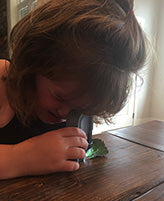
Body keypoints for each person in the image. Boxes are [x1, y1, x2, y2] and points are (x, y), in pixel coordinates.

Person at [0, 0, 148, 179]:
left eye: (82, 109)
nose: (65, 114)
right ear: (33, 63)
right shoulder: (3, 80)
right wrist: (20, 158)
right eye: (60, 97)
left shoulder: (80, 95)